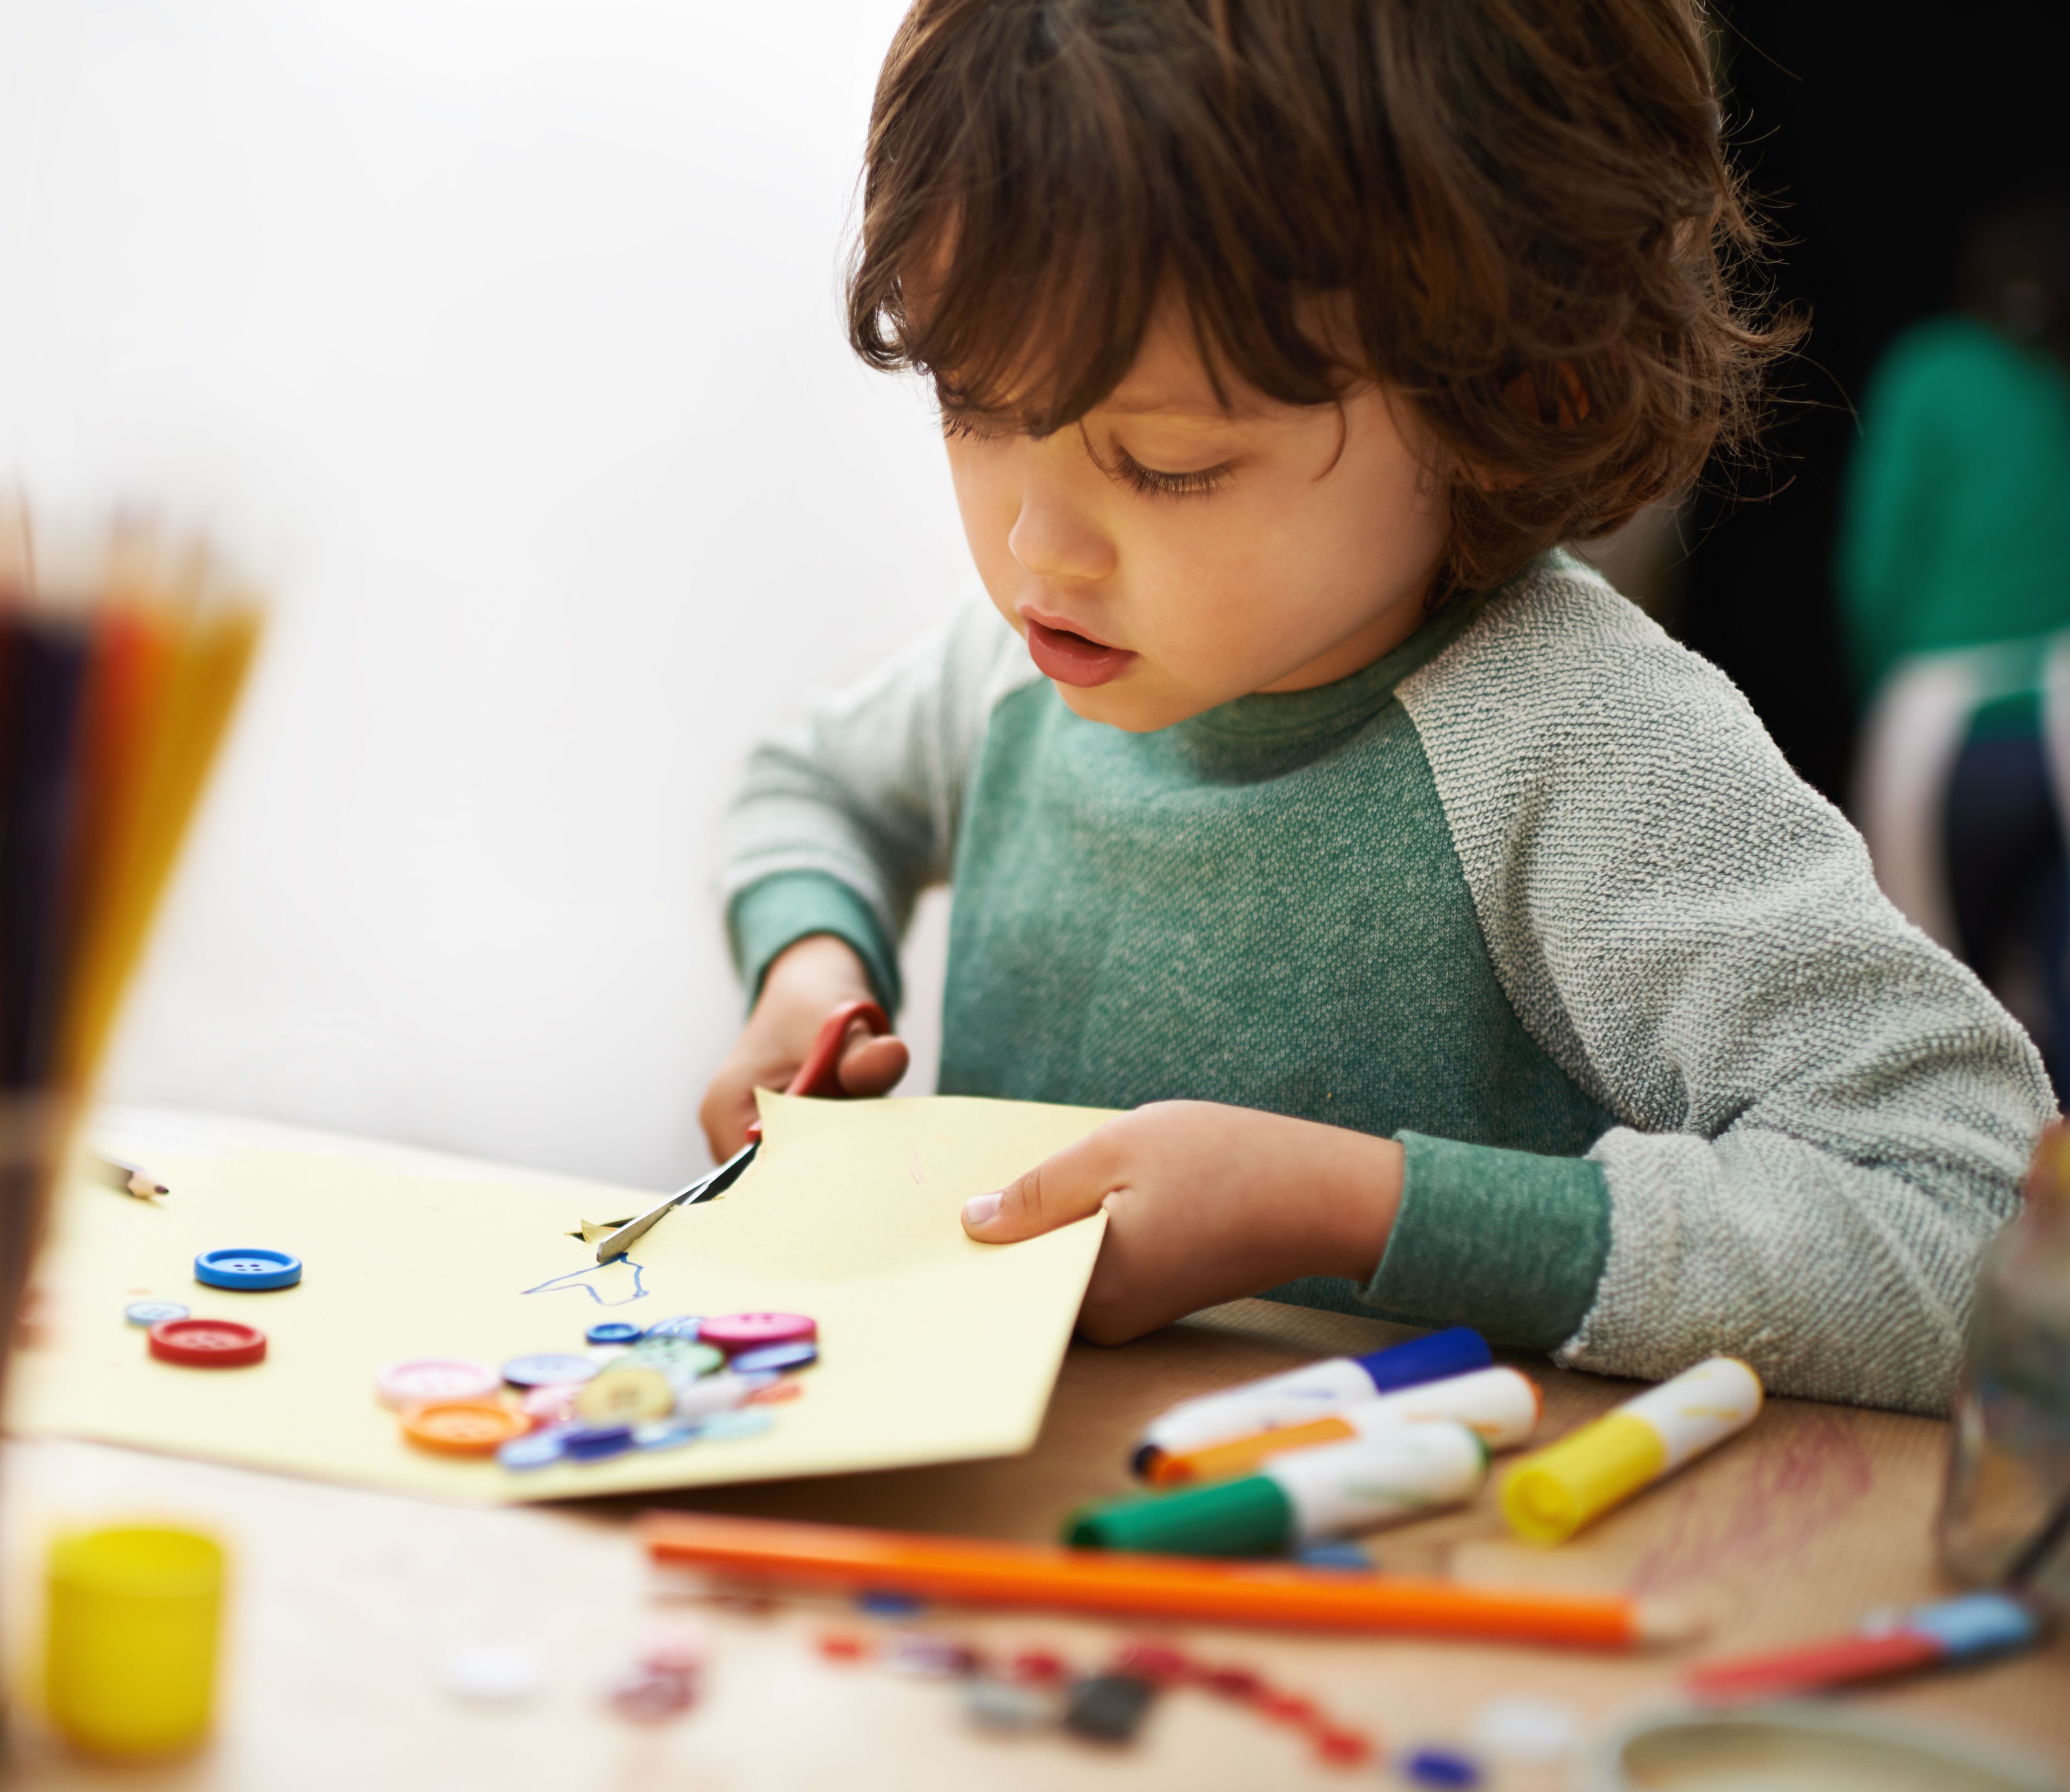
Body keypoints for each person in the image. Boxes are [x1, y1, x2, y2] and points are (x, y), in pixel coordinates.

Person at [704, 0, 2052, 1413]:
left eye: (1168, 463)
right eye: (972, 404)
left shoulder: (1574, 749)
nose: (1039, 545)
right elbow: (814, 785)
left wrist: (1360, 1207)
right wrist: (809, 965)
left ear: (1520, 391)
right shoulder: (1018, 672)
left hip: (1448, 1535)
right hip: (1027, 1525)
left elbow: (1976, 1220)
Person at [1841, 198, 2070, 1083]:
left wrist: (1879, 685)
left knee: (1933, 998)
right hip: (2061, 713)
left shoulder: (1929, 368)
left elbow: (1876, 564)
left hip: (1949, 729)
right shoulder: (2056, 379)